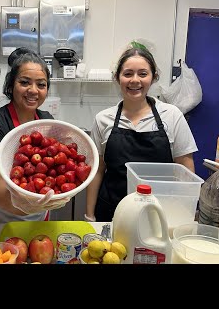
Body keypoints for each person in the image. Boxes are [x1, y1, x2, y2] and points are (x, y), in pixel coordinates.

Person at [85, 45, 198, 222]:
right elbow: (98, 170)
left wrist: (184, 215)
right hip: (112, 213)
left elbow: (185, 167)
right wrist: (89, 215)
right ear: (118, 78)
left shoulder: (172, 115)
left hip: (159, 216)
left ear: (153, 78)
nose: (135, 80)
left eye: (143, 74)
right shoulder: (103, 119)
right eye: (128, 74)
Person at [0, 47, 68, 224]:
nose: (33, 90)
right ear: (11, 85)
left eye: (41, 84)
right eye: (25, 82)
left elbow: (54, 171)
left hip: (39, 214)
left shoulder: (47, 121)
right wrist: (27, 207)